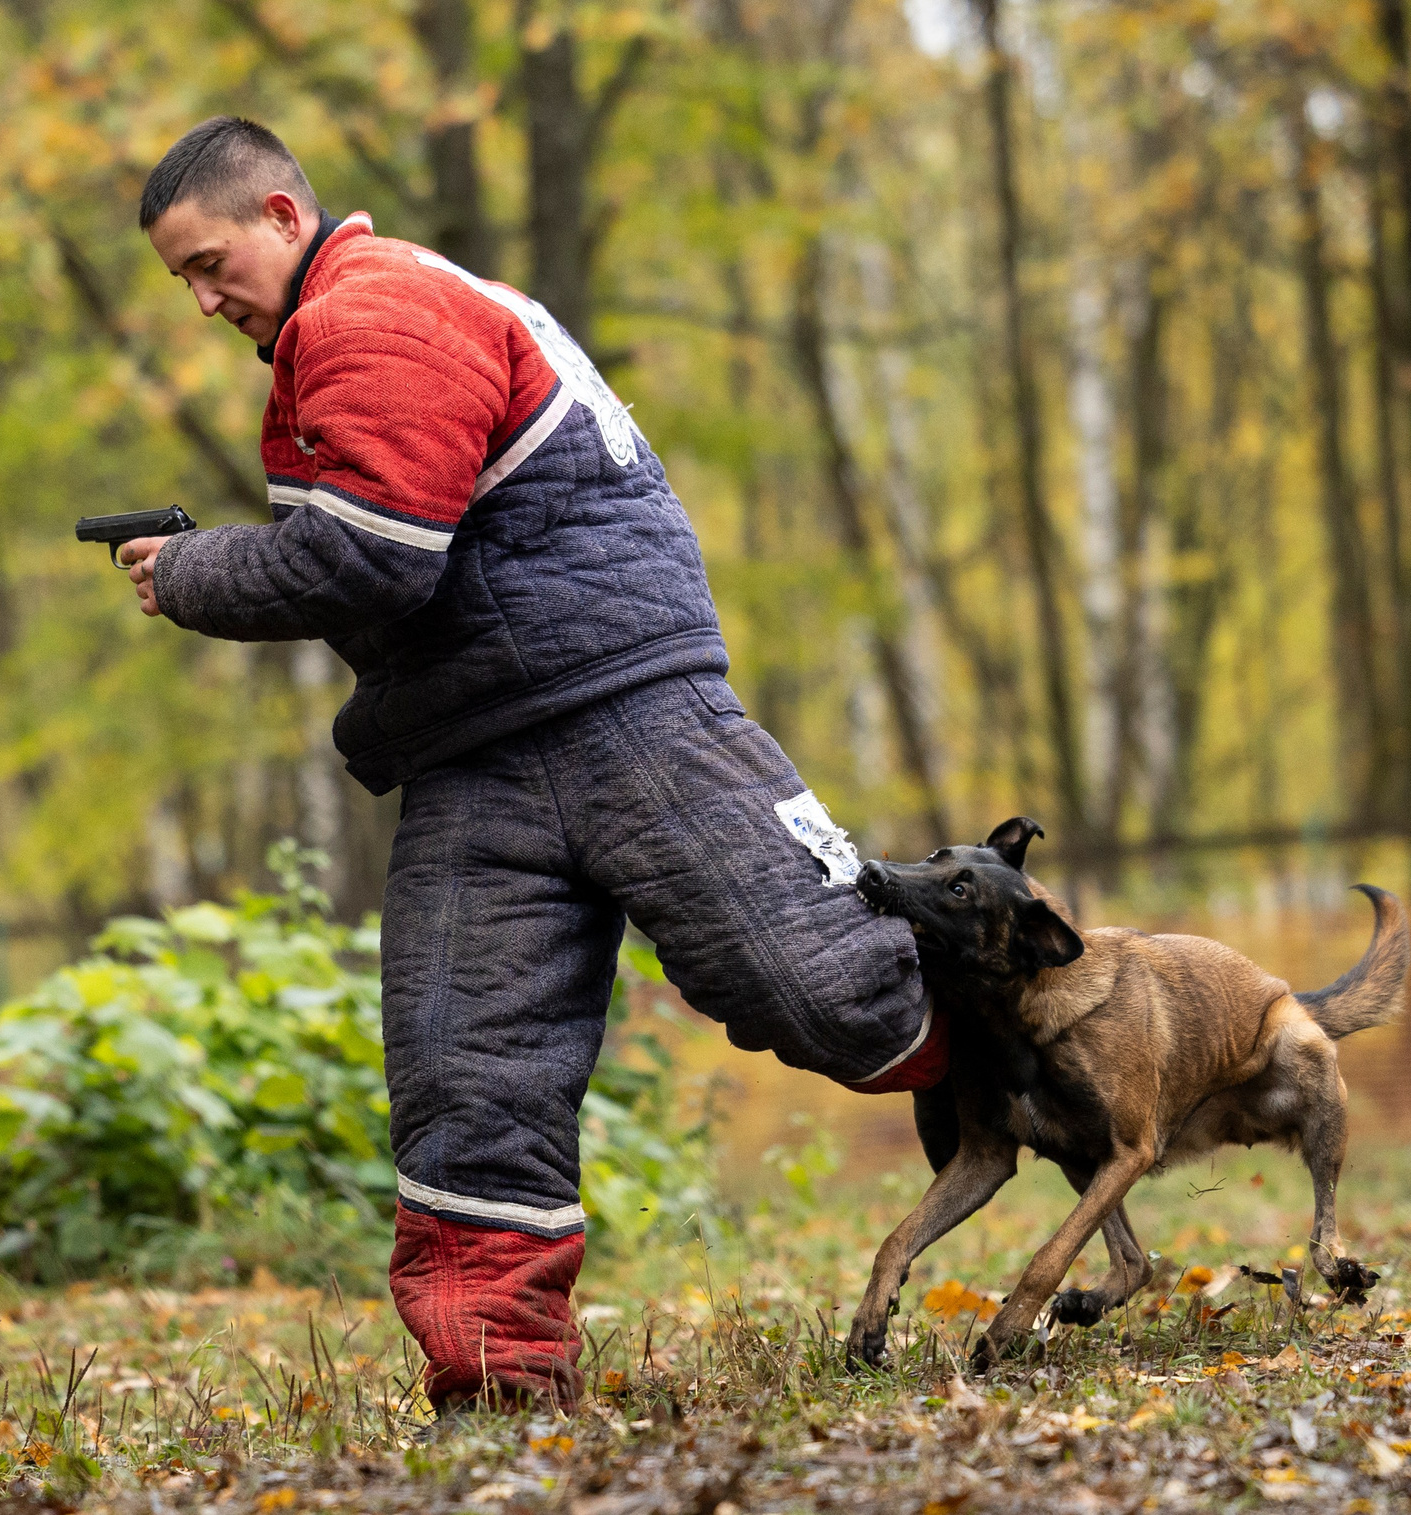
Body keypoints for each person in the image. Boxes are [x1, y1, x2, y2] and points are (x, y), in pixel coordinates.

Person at [120, 116, 942, 1412]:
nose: (204, 299)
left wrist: (192, 572)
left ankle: (1091, 1040)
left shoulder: (377, 308)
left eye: (211, 262)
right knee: (464, 1074)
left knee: (824, 982)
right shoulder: (345, 329)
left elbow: (376, 554)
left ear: (284, 217)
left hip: (623, 709)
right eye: (182, 281)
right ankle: (502, 1394)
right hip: (473, 749)